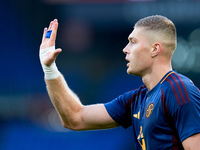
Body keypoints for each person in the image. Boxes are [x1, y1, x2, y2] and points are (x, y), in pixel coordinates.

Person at [39, 15, 200, 150]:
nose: (125, 48)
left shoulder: (180, 91)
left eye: (133, 42)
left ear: (155, 49)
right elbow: (75, 118)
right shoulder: (137, 99)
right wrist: (49, 69)